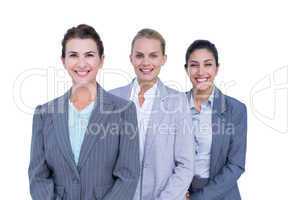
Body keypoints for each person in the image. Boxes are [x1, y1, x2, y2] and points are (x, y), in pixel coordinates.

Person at [28, 24, 140, 200]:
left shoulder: (124, 111)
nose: (81, 63)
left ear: (101, 60)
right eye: (73, 55)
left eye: (89, 55)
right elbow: (38, 177)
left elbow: (128, 176)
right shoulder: (44, 114)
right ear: (63, 60)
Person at [110, 28, 194, 200]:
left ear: (163, 59)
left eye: (153, 55)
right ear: (131, 58)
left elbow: (186, 165)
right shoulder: (111, 99)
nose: (145, 62)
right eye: (139, 55)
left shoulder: (177, 102)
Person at [184, 40, 247, 200]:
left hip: (222, 195)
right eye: (194, 65)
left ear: (217, 68)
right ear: (186, 69)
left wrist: (198, 198)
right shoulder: (173, 105)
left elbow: (236, 165)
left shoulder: (235, 110)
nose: (201, 71)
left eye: (208, 64)